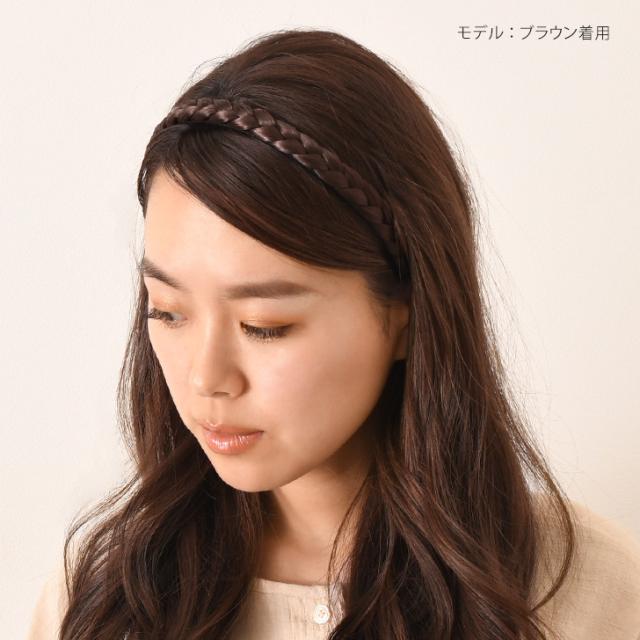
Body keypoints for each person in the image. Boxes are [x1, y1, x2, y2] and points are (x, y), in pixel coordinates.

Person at [27, 28, 640, 640]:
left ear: (405, 311)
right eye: (167, 311)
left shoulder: (594, 594)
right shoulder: (104, 597)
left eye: (264, 326)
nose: (205, 377)